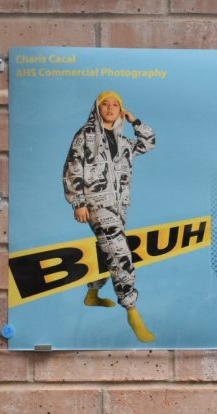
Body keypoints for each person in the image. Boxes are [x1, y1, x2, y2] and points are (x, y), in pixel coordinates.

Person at [63, 90, 156, 343]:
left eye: (116, 104)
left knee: (107, 250)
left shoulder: (124, 142)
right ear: (97, 107)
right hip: (96, 205)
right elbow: (73, 167)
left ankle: (92, 294)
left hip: (120, 206)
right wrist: (78, 203)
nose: (111, 107)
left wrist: (135, 120)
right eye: (106, 103)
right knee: (119, 253)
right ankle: (132, 309)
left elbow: (149, 142)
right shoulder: (85, 135)